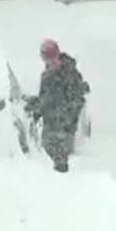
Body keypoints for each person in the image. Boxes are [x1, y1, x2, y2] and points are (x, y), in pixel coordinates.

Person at [34, 39, 89, 172]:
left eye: (53, 59)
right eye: (47, 60)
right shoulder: (47, 76)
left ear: (58, 56)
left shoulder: (70, 74)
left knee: (63, 167)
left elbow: (76, 101)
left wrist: (65, 121)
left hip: (65, 131)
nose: (50, 63)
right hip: (51, 129)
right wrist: (36, 107)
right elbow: (45, 99)